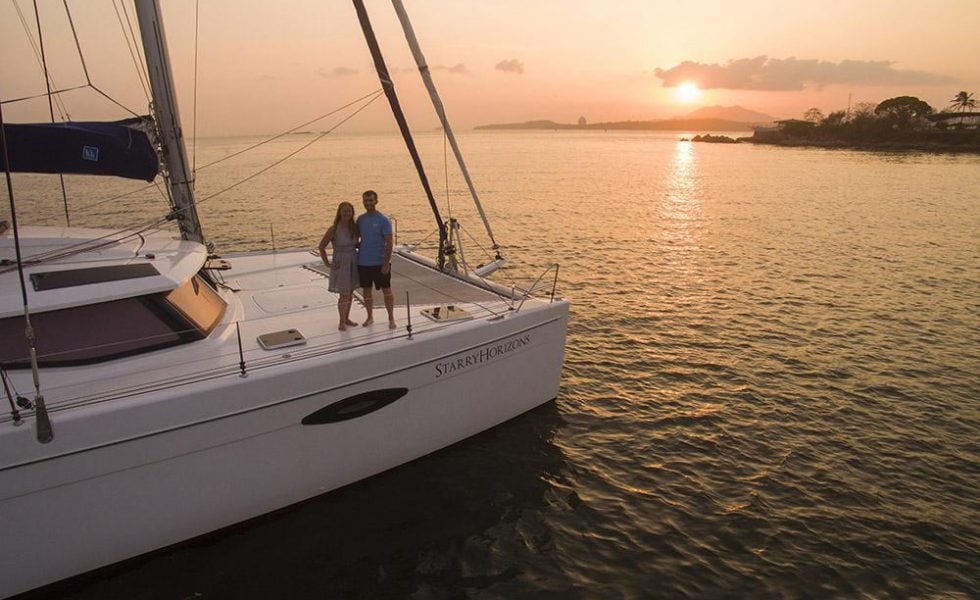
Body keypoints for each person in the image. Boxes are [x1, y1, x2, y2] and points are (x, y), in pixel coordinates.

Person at [356, 190, 396, 329]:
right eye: (366, 201)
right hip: (363, 262)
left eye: (371, 200)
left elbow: (389, 242)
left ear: (376, 201)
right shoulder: (360, 219)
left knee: (387, 291)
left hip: (379, 262)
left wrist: (385, 263)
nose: (368, 203)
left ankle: (391, 318)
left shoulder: (383, 220)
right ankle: (369, 317)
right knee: (366, 291)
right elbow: (357, 238)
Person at [318, 201, 360, 331]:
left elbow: (357, 244)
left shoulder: (354, 228)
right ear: (339, 213)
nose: (347, 213)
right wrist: (327, 263)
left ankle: (347, 318)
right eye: (344, 211)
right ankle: (341, 322)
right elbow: (321, 247)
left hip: (353, 260)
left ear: (352, 213)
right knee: (344, 294)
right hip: (341, 262)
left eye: (349, 211)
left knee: (351, 292)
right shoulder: (333, 229)